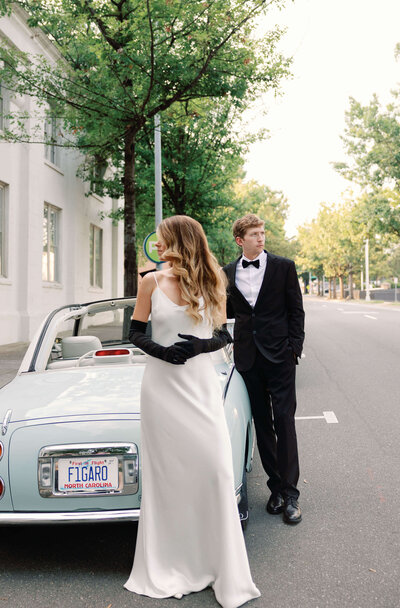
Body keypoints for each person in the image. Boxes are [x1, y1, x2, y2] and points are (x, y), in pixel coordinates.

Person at [124, 215, 260, 608]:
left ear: (182, 241)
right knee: (168, 479)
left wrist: (200, 347)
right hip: (161, 389)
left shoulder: (212, 279)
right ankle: (171, 562)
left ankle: (216, 563)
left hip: (200, 387)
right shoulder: (151, 281)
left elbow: (223, 333)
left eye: (165, 240)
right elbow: (132, 332)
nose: (159, 246)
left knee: (215, 469)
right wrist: (162, 352)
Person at [223, 214, 305, 524]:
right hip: (248, 359)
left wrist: (294, 348)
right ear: (240, 240)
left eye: (262, 233)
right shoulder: (227, 273)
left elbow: (296, 310)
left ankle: (292, 493)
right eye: (255, 234)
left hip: (280, 357)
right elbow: (227, 313)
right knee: (262, 424)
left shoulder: (284, 267)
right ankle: (276, 488)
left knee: (284, 421)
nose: (261, 238)